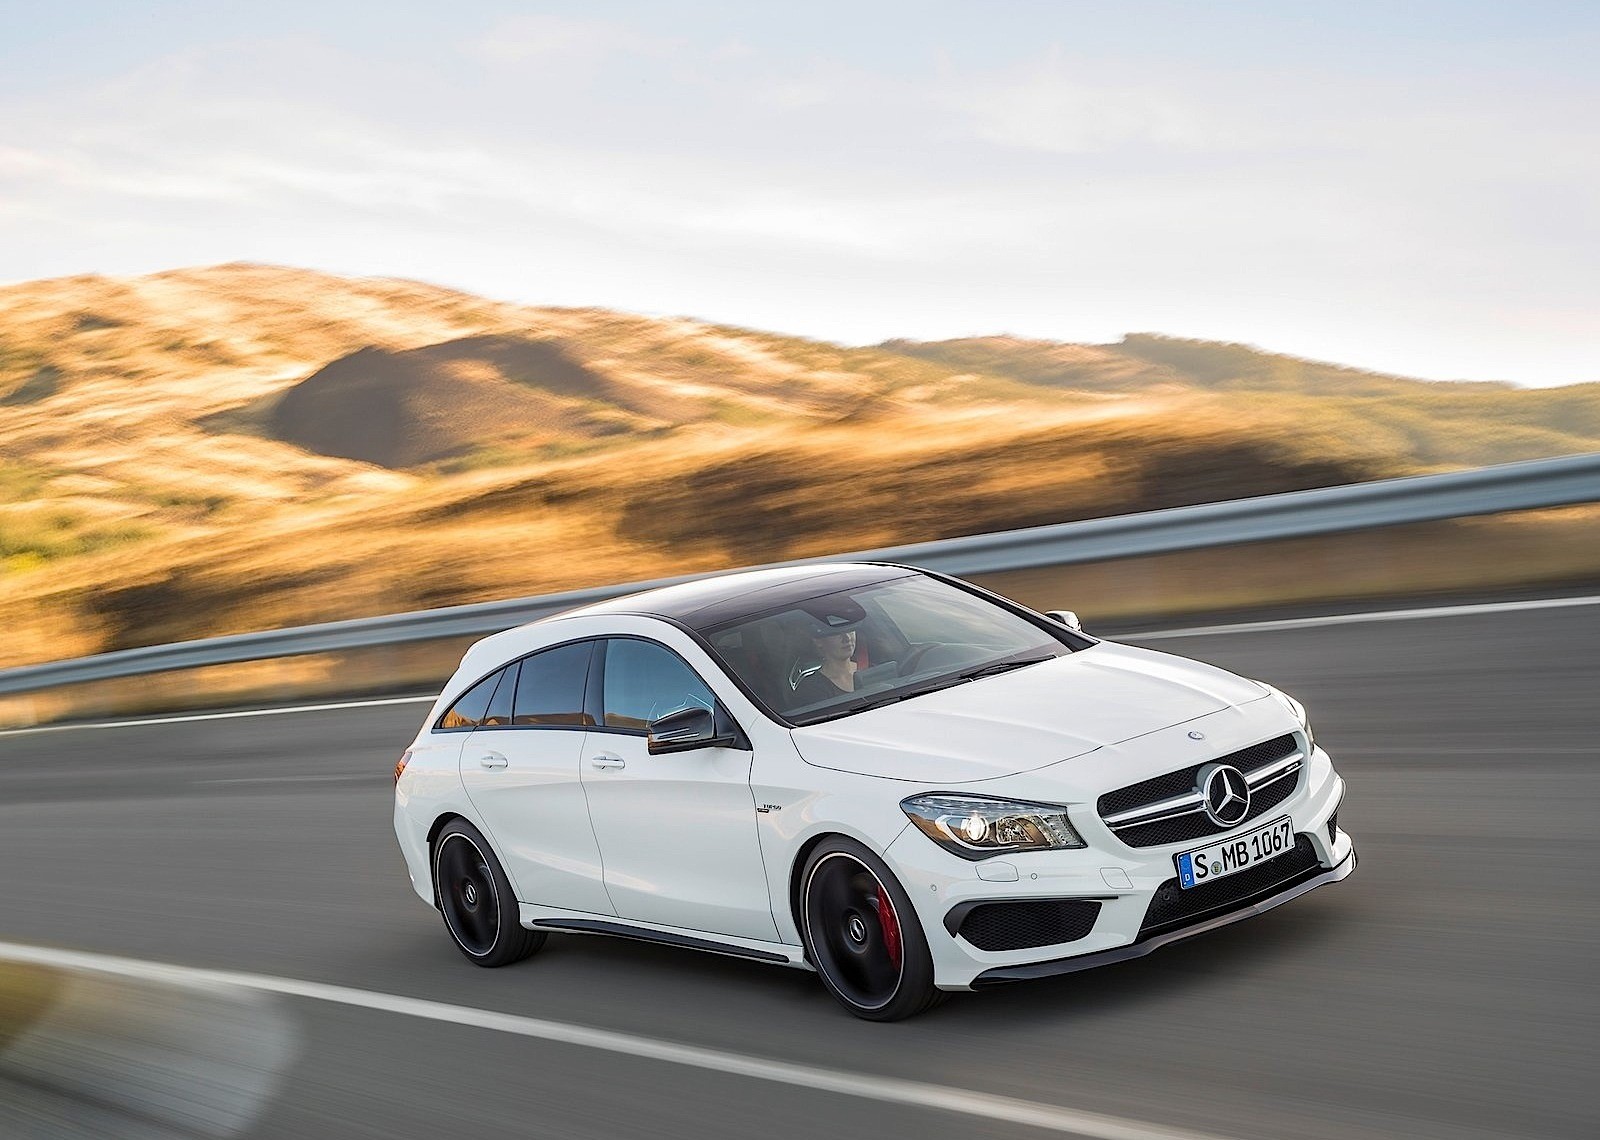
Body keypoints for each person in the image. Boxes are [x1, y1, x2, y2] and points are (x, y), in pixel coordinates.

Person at [790, 619, 860, 706]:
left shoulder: (871, 668)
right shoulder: (811, 689)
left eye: (850, 630)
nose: (847, 638)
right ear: (818, 641)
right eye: (836, 633)